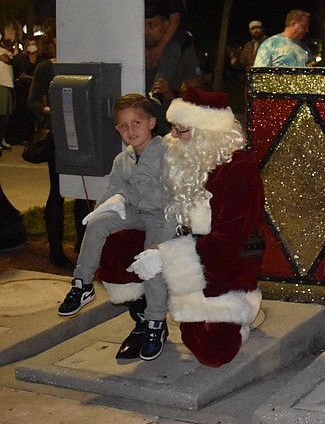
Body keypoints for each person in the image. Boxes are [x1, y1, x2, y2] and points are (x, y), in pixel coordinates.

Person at [96, 87, 266, 367]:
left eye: (182, 131)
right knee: (112, 236)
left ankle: (240, 315)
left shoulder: (238, 171)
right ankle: (148, 318)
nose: (173, 137)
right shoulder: (175, 157)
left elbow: (226, 244)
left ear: (207, 133)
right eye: (173, 129)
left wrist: (165, 256)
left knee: (212, 352)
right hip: (174, 246)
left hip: (221, 265)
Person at [57, 94, 175, 360]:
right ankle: (82, 283)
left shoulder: (168, 153)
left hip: (161, 216)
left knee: (151, 260)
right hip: (134, 212)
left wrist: (163, 241)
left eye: (136, 123)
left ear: (152, 122)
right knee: (98, 220)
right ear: (117, 129)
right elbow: (113, 192)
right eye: (123, 125)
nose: (130, 130)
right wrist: (114, 201)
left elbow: (176, 199)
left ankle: (155, 323)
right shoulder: (122, 161)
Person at [27, 43, 93, 267]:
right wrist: (50, 109)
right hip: (57, 135)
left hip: (83, 133)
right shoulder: (46, 67)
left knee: (84, 193)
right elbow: (32, 102)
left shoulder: (84, 66)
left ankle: (82, 243)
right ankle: (56, 251)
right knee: (57, 190)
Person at [144, 6, 205, 135]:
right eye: (141, 25)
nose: (146, 31)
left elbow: (199, 94)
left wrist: (173, 95)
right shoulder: (130, 49)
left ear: (166, 25)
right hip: (139, 133)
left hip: (171, 132)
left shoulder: (182, 52)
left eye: (151, 25)